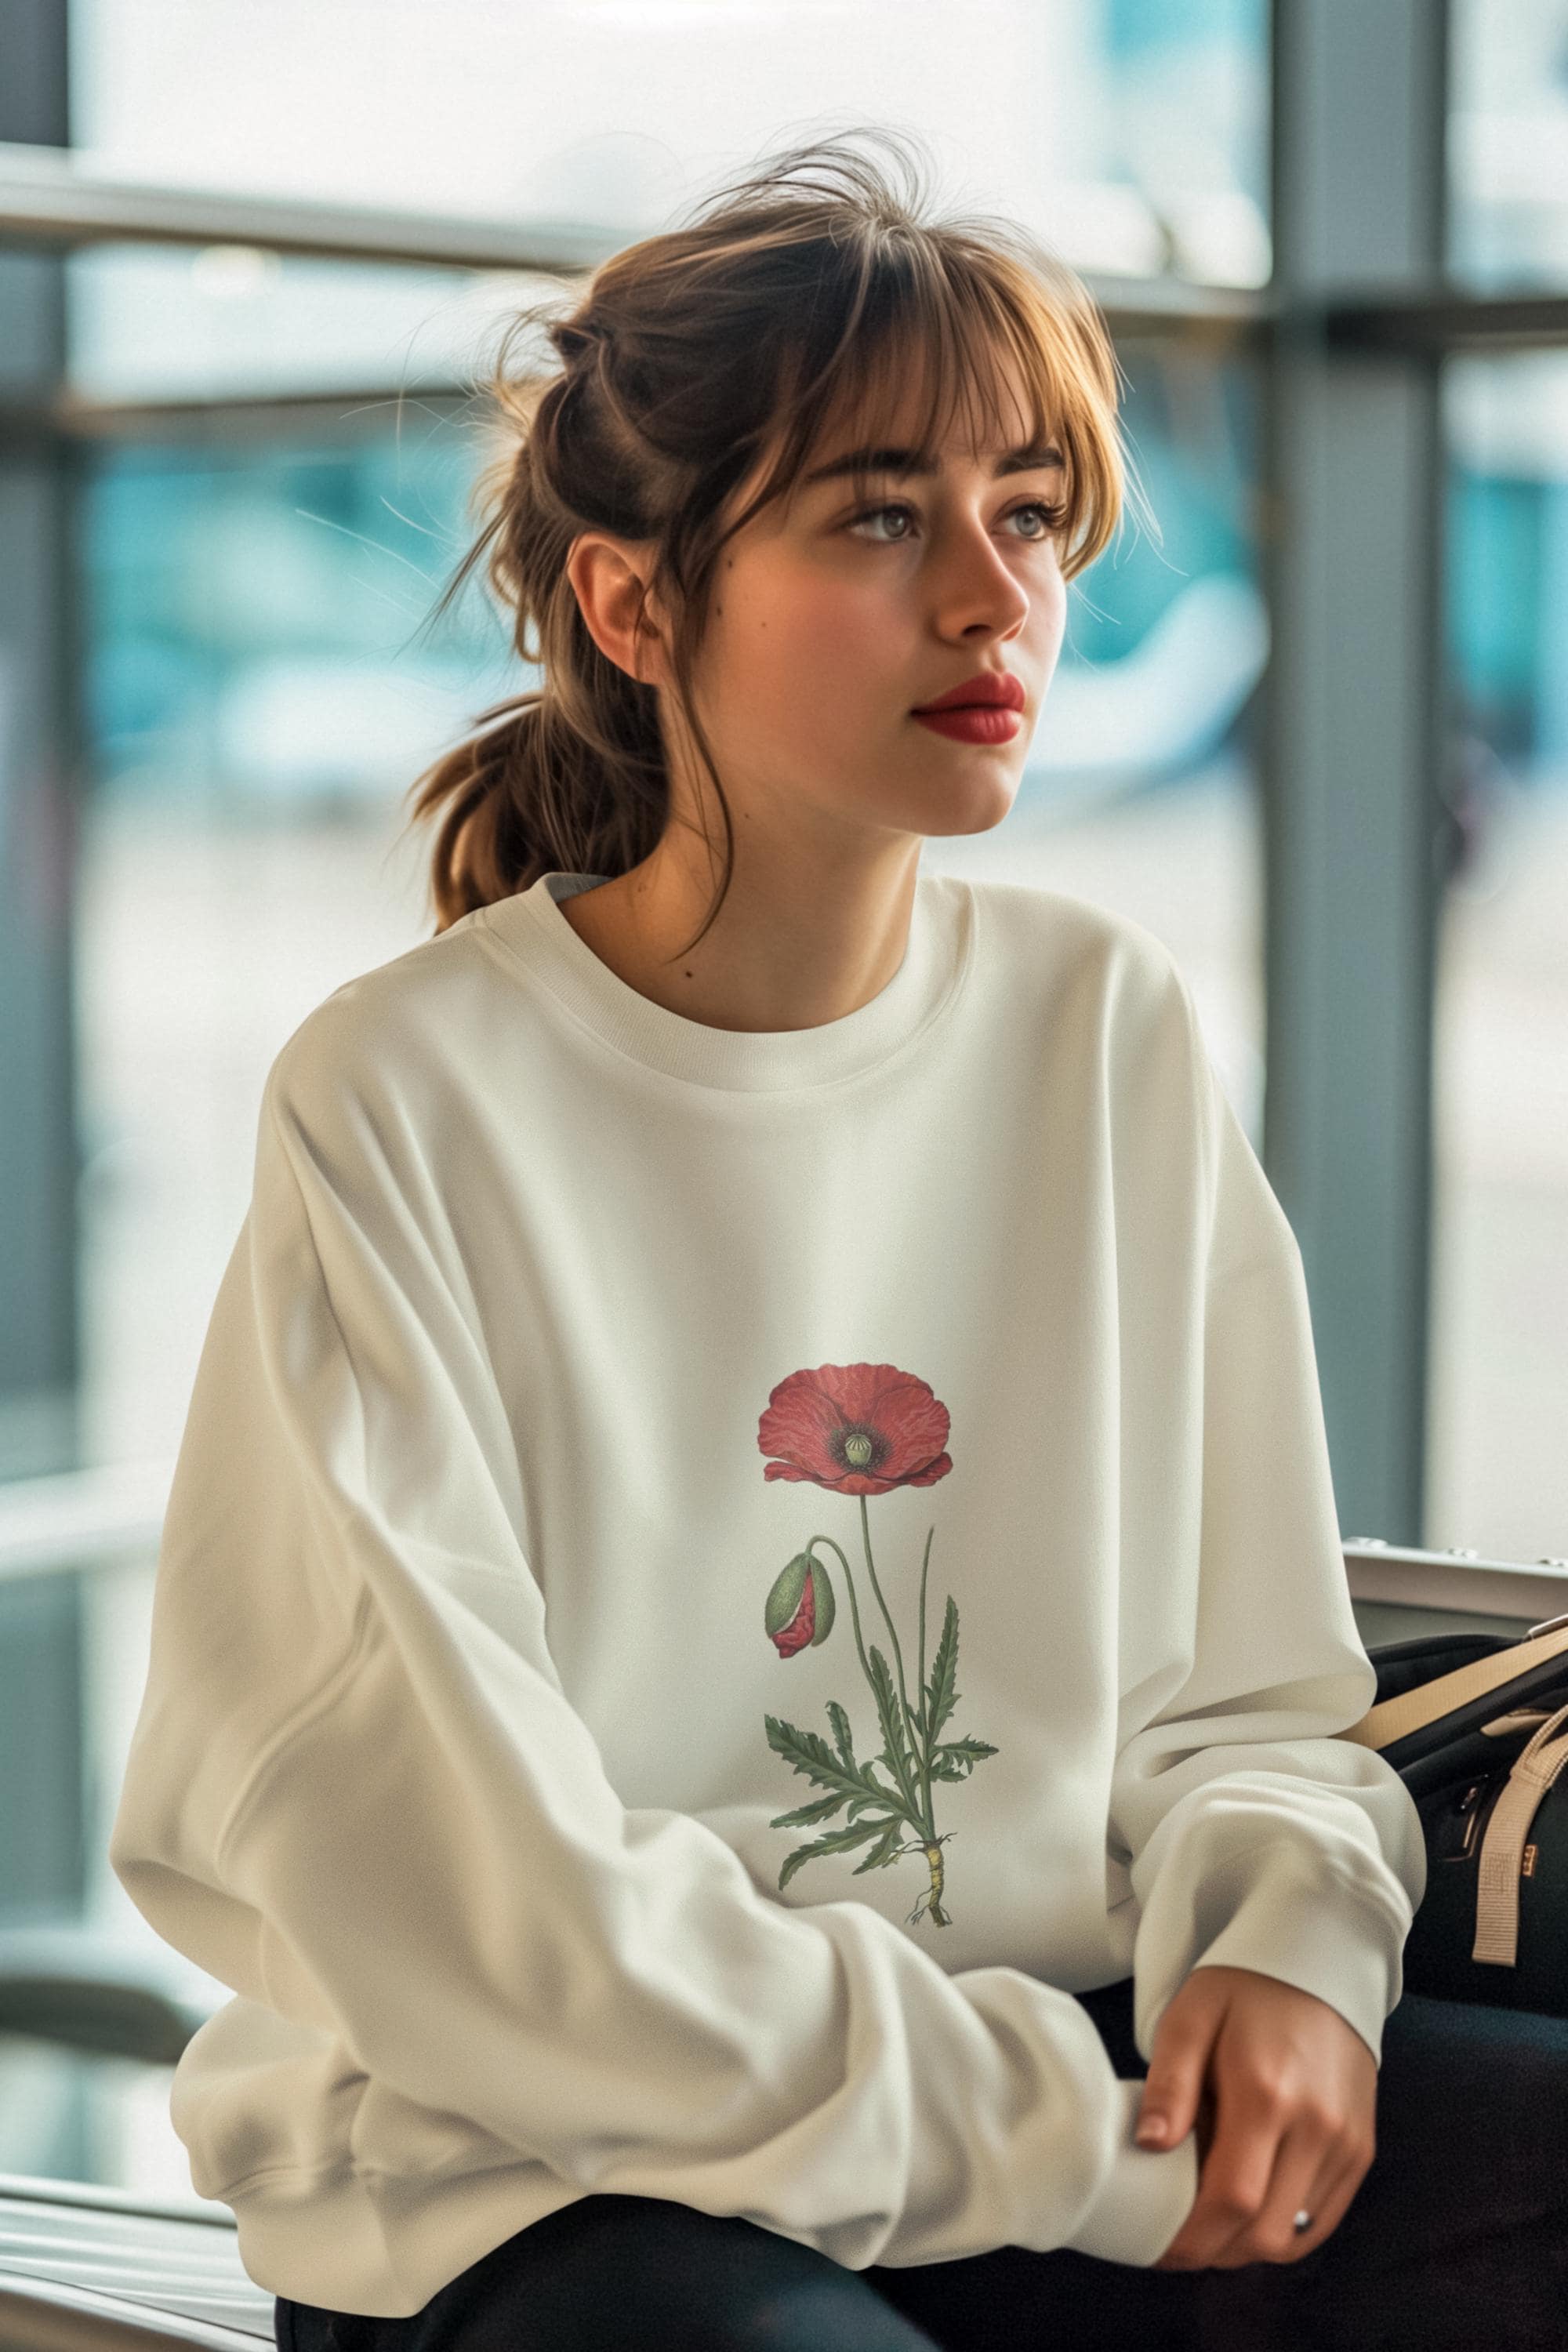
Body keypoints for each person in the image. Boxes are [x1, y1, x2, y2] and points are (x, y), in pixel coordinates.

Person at [108, 126, 1568, 2352]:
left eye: (1031, 512)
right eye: (881, 518)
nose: (996, 600)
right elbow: (497, 1915)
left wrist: (1284, 1944)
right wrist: (1068, 2156)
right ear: (633, 601)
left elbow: (1257, 1687)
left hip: (1056, 2080)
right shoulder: (409, 1099)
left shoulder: (1101, 1030)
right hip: (549, 2181)